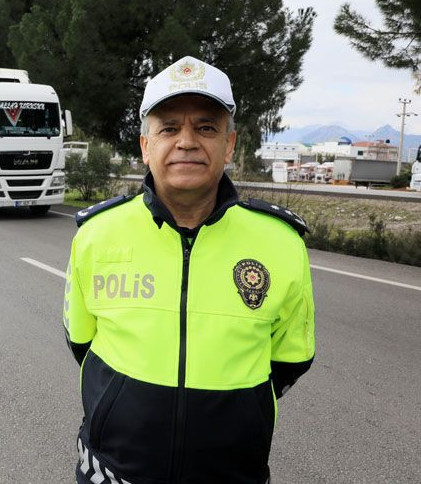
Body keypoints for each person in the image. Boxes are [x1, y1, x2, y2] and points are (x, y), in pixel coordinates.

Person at [64, 56, 315, 484]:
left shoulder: (281, 241)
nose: (186, 142)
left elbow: (291, 359)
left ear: (229, 144)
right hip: (113, 474)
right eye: (168, 128)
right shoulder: (97, 234)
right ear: (146, 147)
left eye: (205, 127)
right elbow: (82, 343)